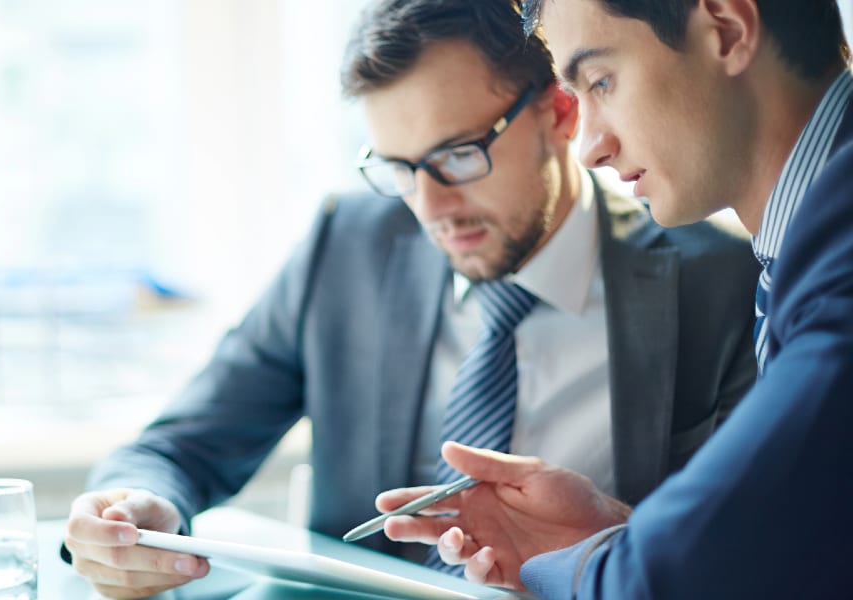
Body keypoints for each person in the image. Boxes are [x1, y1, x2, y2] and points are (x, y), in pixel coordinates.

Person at [62, 1, 760, 597]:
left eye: (459, 156)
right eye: (398, 169)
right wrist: (132, 506)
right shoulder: (349, 245)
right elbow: (185, 443)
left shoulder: (719, 284)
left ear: (560, 111)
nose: (432, 209)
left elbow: (748, 551)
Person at [377, 0, 853, 597]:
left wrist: (607, 561)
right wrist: (618, 536)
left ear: (728, 29)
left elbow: (675, 576)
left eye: (601, 80)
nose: (590, 147)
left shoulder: (839, 254)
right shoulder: (806, 243)